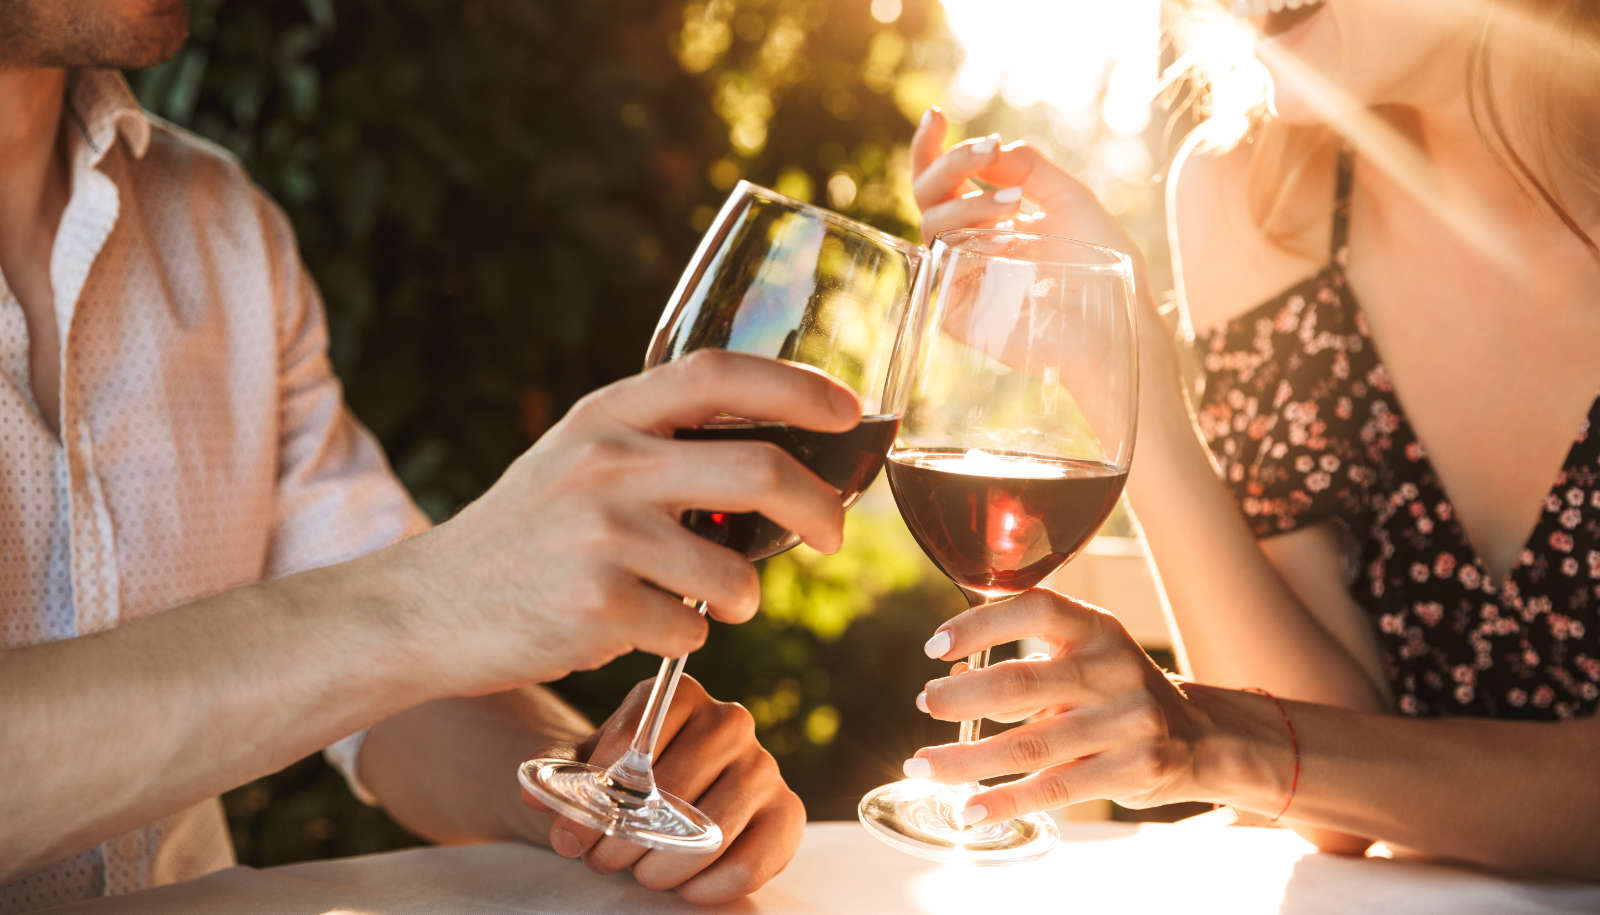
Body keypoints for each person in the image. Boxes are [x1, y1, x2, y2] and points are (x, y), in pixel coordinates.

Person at [0, 3, 845, 907]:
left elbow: (389, 690)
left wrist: (600, 790)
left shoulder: (222, 230)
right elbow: (394, 624)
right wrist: (425, 601)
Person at [899, 0, 1600, 877]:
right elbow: (1325, 803)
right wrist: (1119, 369)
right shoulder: (1258, 198)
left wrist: (1213, 733)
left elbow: (1267, 744)